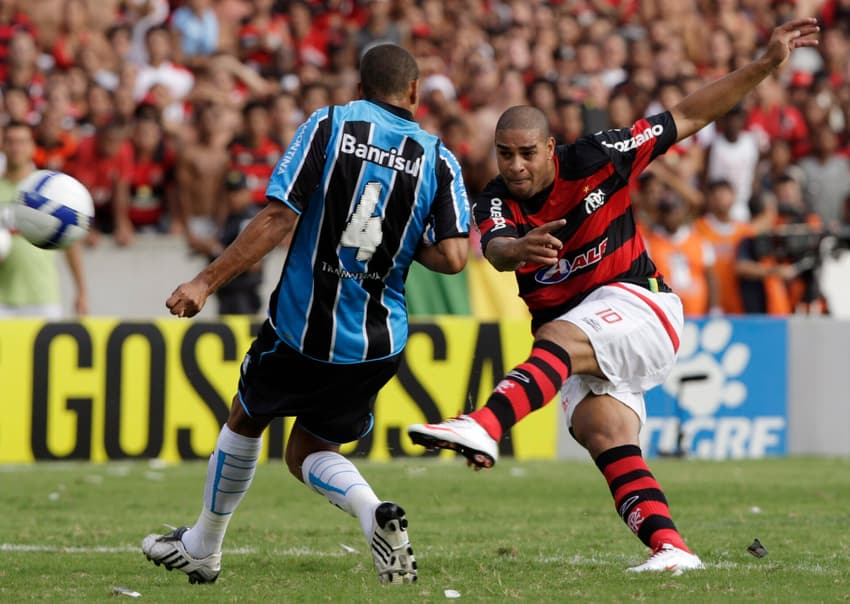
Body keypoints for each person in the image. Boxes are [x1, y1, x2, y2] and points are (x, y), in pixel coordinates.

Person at [408, 18, 819, 573]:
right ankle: (672, 549)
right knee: (605, 437)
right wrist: (517, 249)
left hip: (640, 305)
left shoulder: (602, 154)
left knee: (556, 336)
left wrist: (765, 65)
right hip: (583, 346)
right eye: (505, 154)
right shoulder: (496, 198)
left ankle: (485, 425)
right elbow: (497, 250)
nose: (516, 165)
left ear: (551, 146)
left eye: (527, 152)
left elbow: (691, 114)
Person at [141, 43, 470, 585]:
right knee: (309, 451)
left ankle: (204, 545)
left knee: (247, 416)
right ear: (414, 93)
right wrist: (399, 238)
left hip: (302, 328)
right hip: (375, 342)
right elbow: (455, 257)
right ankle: (374, 515)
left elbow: (276, 219)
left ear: (360, 89)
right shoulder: (439, 158)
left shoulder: (330, 125)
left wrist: (205, 280)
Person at [0, 121, 87, 317]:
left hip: (42, 298)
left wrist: (81, 290)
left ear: (32, 146)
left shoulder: (49, 188)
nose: (16, 148)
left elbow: (70, 242)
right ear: (3, 145)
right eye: (11, 142)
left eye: (22, 142)